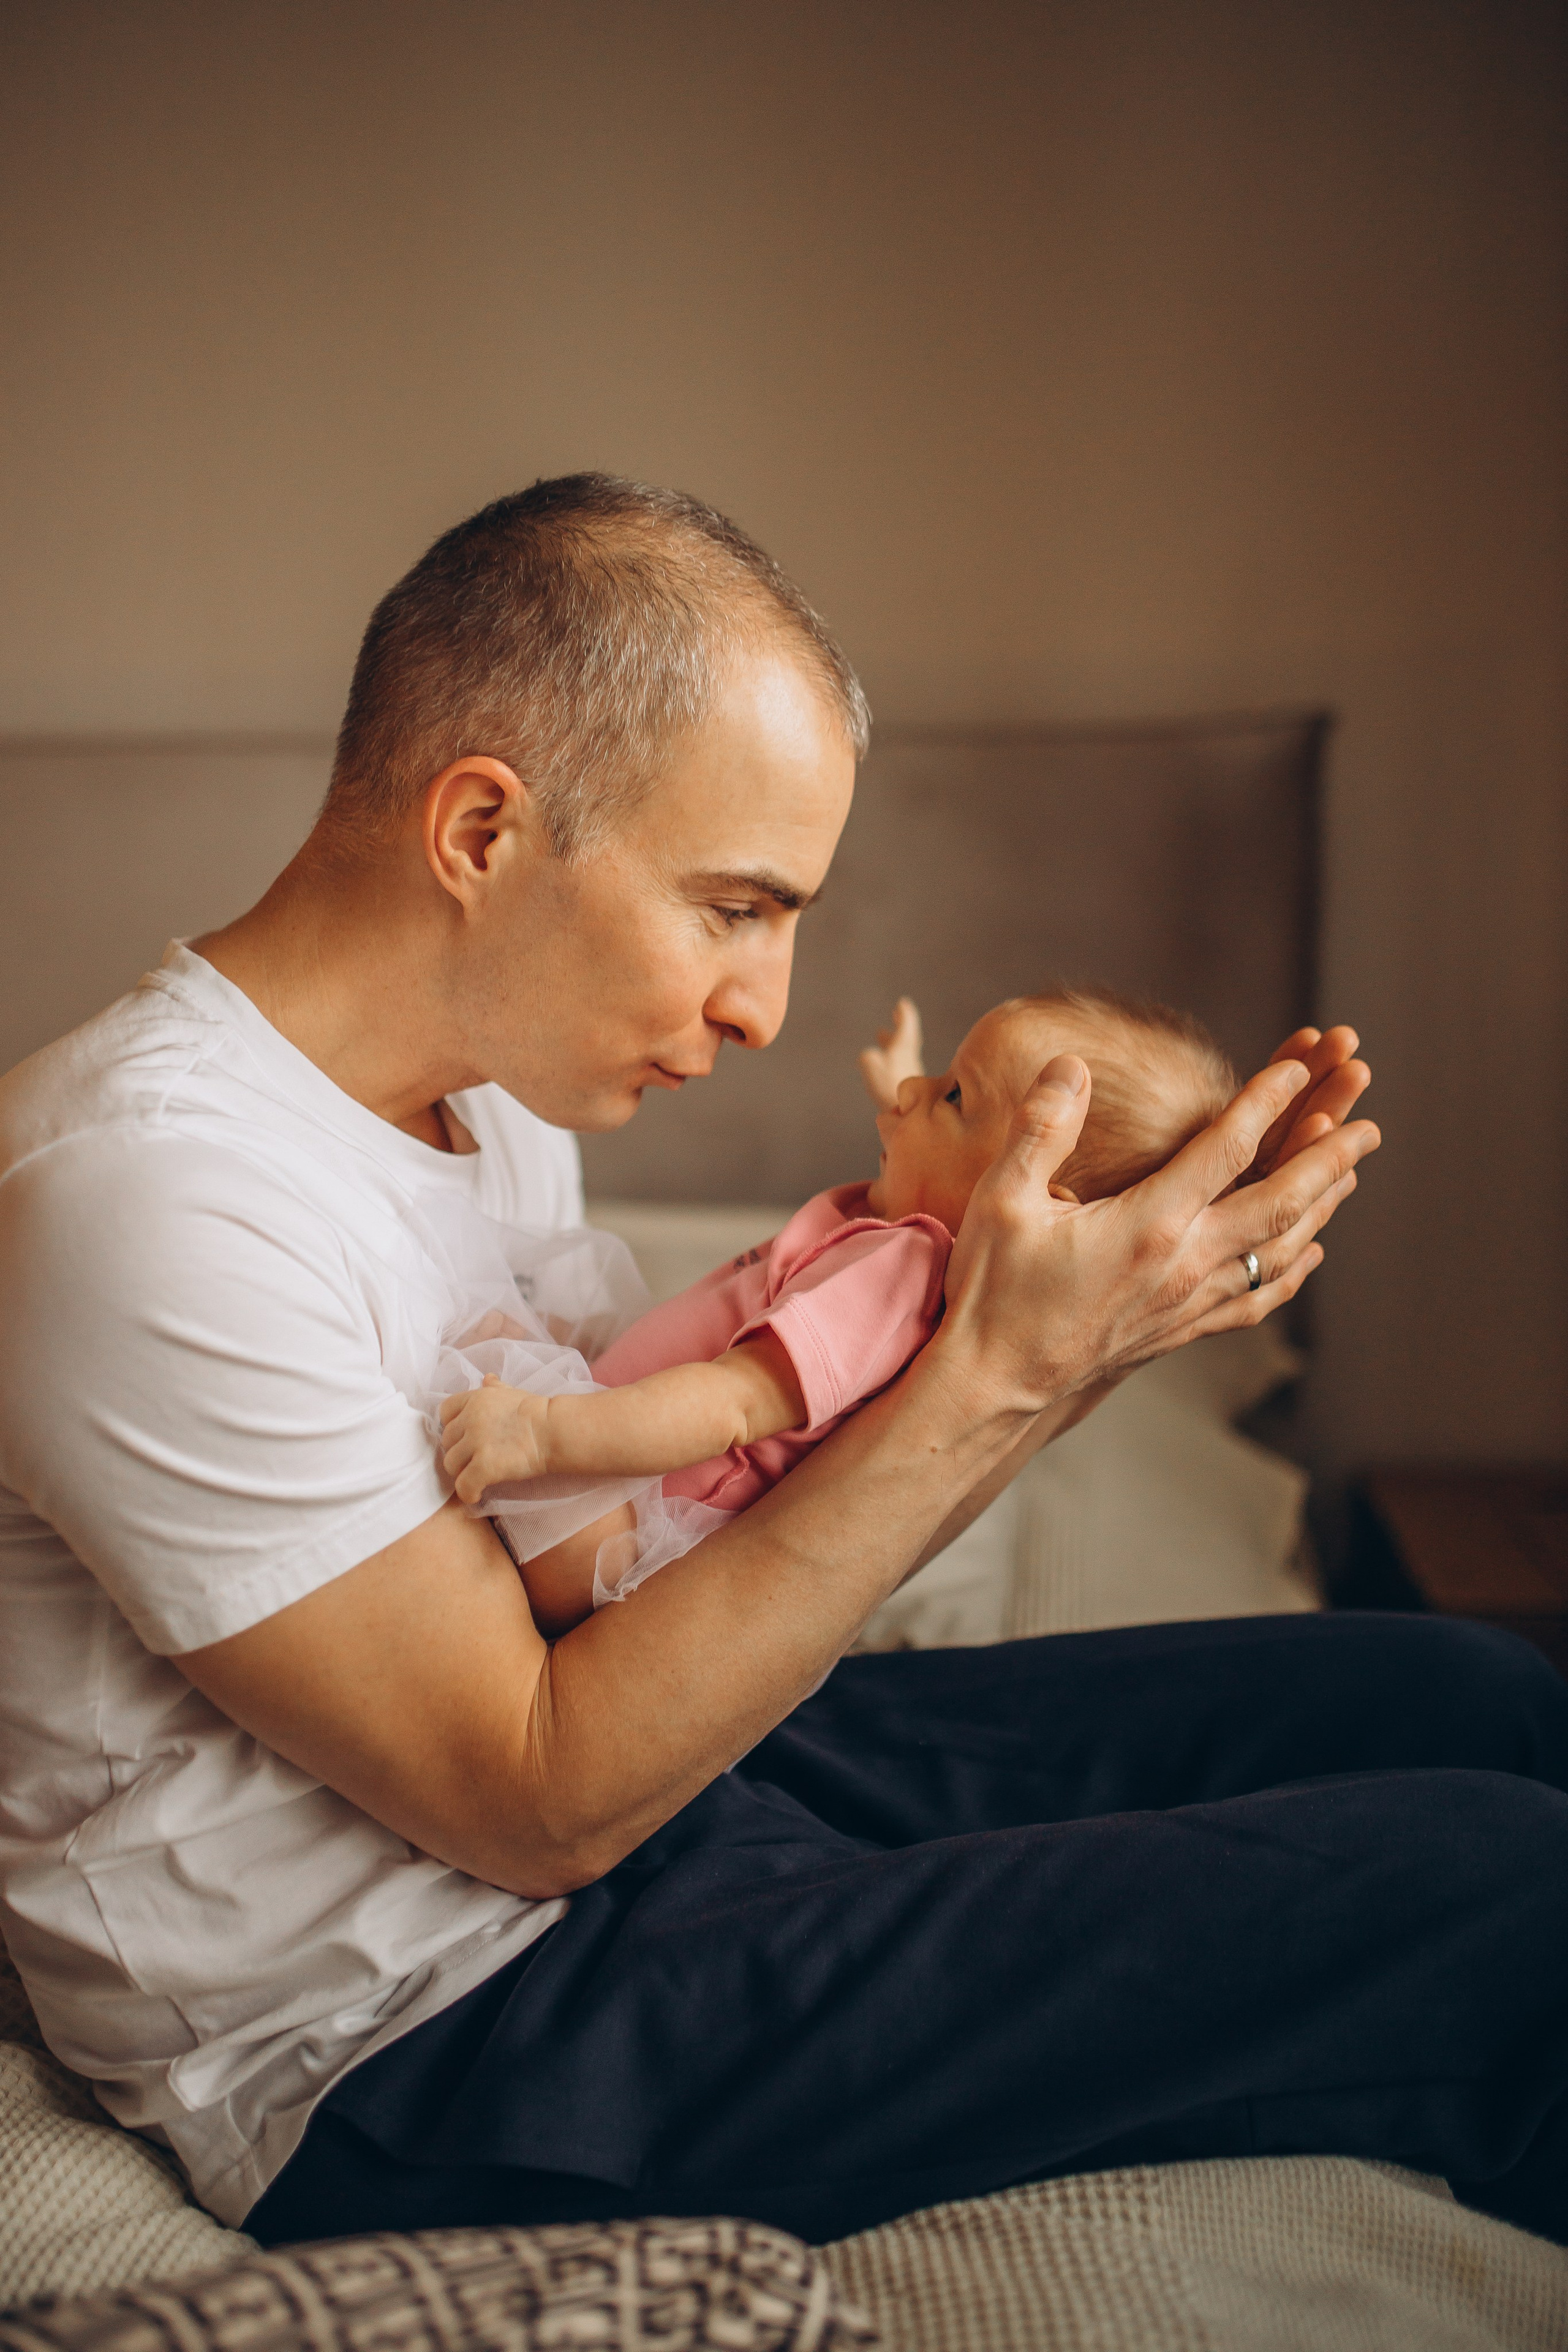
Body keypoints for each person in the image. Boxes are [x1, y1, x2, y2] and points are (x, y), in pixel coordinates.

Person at [1, 475, 1564, 2258]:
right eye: (733, 908)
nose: (767, 1008)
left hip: (660, 1799)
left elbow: (615, 1600)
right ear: (484, 832)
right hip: (434, 2047)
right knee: (1516, 1893)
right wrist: (998, 1379)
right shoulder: (140, 1196)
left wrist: (1086, 1337)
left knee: (1467, 1698)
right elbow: (536, 1795)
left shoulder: (492, 1112)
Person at [437, 987, 1241, 1634]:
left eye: (955, 1094)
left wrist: (542, 1433)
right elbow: (952, 1153)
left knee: (461, 1317)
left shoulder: (895, 1272)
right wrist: (909, 1085)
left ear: (1031, 1206)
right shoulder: (919, 1254)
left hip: (612, 1533)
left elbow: (731, 1406)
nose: (918, 1093)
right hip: (622, 1482)